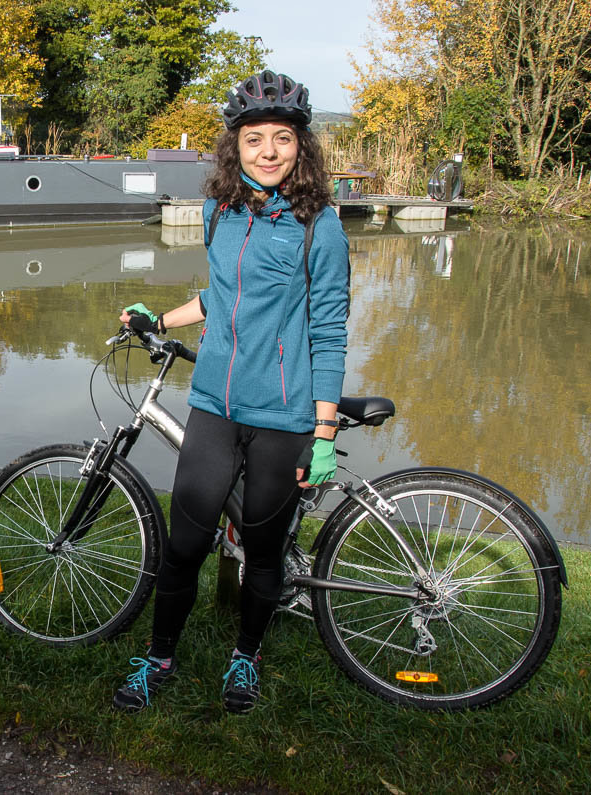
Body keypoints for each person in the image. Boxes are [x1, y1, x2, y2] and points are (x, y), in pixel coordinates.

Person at [113, 70, 349, 714]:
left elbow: (329, 332)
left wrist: (323, 432)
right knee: (184, 545)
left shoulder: (320, 227)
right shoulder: (220, 213)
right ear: (235, 147)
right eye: (254, 139)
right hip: (214, 405)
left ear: (301, 146)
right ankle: (159, 657)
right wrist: (160, 320)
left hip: (283, 417)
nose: (268, 152)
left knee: (264, 552)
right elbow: (221, 296)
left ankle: (246, 656)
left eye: (282, 138)